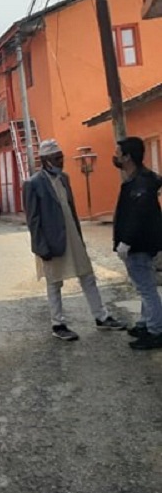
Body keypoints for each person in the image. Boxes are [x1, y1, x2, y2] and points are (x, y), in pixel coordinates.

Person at [24, 139, 127, 341]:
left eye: (61, 158)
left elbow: (70, 209)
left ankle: (102, 317)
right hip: (51, 242)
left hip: (72, 236)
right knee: (54, 282)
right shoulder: (33, 184)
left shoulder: (64, 178)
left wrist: (79, 238)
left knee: (87, 275)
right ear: (45, 160)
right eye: (56, 158)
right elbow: (33, 220)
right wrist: (40, 247)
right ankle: (58, 324)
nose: (61, 162)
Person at [112, 137, 162, 350]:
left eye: (118, 153)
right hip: (142, 244)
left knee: (147, 289)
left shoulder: (140, 183)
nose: (116, 157)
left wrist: (126, 241)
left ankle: (156, 330)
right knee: (144, 287)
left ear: (128, 157)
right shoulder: (140, 179)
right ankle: (145, 323)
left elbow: (138, 215)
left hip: (138, 245)